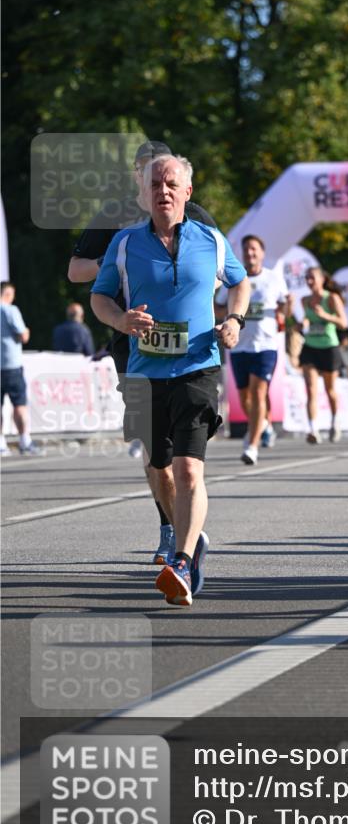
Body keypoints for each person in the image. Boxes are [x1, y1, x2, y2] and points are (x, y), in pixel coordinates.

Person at [91, 154, 250, 606]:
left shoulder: (212, 240)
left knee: (188, 468)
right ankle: (190, 535)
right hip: (144, 373)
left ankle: (181, 560)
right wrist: (121, 320)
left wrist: (235, 319)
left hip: (198, 366)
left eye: (171, 183)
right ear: (143, 194)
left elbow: (240, 284)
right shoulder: (124, 244)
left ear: (187, 192)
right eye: (155, 183)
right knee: (158, 466)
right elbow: (99, 297)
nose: (163, 190)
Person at [68, 140, 218, 564]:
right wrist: (123, 260)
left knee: (185, 457)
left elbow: (218, 268)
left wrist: (230, 320)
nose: (153, 179)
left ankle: (184, 543)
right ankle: (170, 528)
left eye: (161, 172)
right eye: (144, 170)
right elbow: (75, 270)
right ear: (136, 175)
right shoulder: (114, 216)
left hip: (189, 354)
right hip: (129, 342)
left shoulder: (195, 214)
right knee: (156, 452)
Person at [215, 234, 286, 465]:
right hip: (238, 346)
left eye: (254, 249)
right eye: (246, 250)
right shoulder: (235, 279)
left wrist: (284, 314)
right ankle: (262, 424)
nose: (250, 254)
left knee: (258, 392)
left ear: (262, 253)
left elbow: (285, 302)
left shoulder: (273, 278)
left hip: (265, 345)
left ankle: (252, 446)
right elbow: (219, 308)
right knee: (246, 398)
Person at [286, 266, 347, 443]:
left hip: (329, 347)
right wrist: (301, 324)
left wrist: (325, 316)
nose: (309, 281)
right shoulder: (305, 300)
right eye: (307, 278)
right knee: (311, 390)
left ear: (322, 279)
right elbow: (305, 319)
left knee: (330, 391)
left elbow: (343, 323)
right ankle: (313, 429)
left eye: (312, 278)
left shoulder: (332, 298)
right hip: (310, 347)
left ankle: (335, 422)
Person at [0, 282, 43, 456]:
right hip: (10, 364)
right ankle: (25, 441)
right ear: (8, 293)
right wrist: (27, 331)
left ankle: (1, 444)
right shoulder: (10, 310)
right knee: (19, 404)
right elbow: (23, 335)